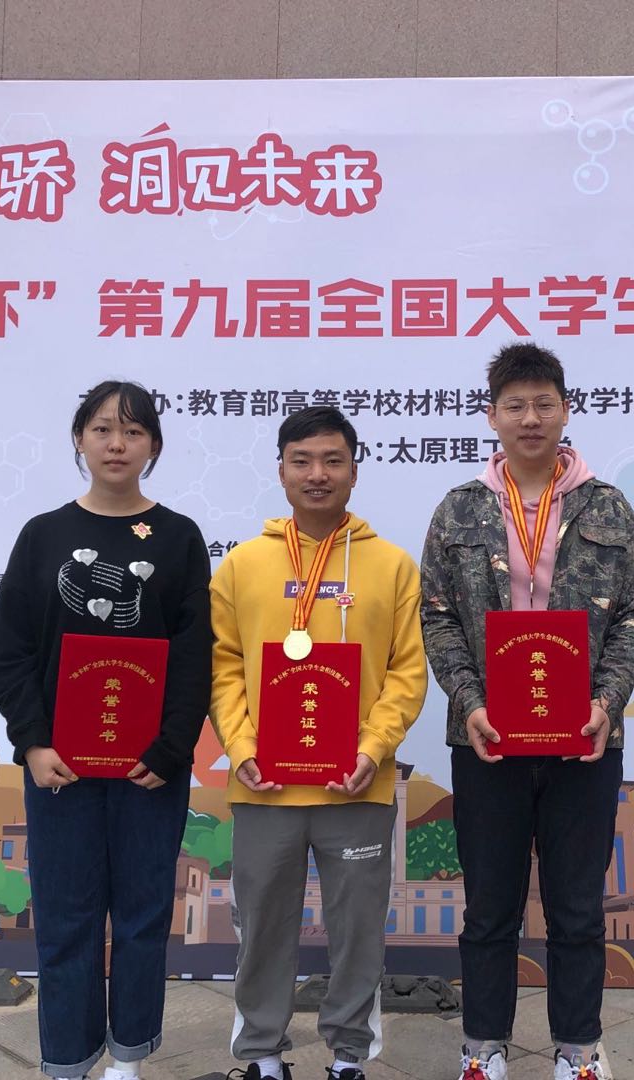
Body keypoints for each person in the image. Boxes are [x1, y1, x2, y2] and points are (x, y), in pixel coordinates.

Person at [419, 343, 634, 1080]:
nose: (530, 418)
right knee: (489, 908)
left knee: (577, 908)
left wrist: (606, 699)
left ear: (565, 410)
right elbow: (437, 616)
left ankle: (578, 1050)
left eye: (543, 404)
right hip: (486, 738)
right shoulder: (460, 508)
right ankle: (483, 1047)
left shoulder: (607, 506)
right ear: (492, 415)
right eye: (515, 405)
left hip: (584, 738)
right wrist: (469, 701)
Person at [0, 380, 212, 1080]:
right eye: (104, 429)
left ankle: (129, 1057)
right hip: (60, 767)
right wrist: (32, 742)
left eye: (134, 431)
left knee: (143, 916)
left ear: (154, 446)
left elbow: (195, 656)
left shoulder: (178, 537)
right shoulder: (44, 535)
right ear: (80, 439)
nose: (118, 444)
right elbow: (10, 653)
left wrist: (172, 748)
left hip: (151, 770)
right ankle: (67, 1058)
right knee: (66, 920)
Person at [211, 406, 426, 1080]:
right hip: (264, 785)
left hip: (357, 784)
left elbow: (407, 670)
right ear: (280, 471)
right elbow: (221, 666)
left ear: (355, 471)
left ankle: (349, 1056)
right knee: (261, 927)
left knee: (358, 929)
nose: (318, 474)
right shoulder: (241, 566)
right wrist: (242, 748)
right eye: (301, 460)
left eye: (333, 460)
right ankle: (262, 1055)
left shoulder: (392, 566)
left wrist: (372, 748)